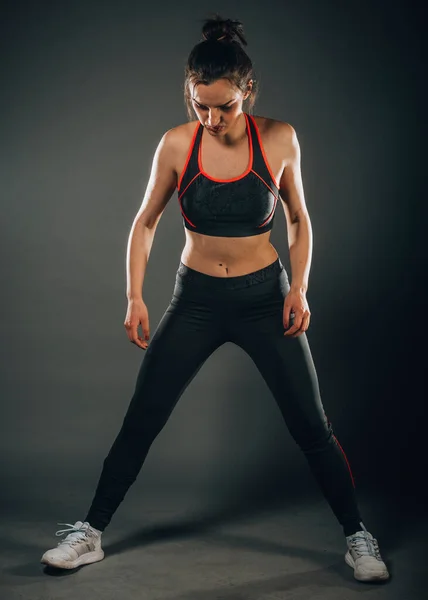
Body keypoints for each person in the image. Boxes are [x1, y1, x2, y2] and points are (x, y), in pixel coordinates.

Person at [41, 14, 389, 583]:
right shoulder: (177, 143)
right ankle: (89, 533)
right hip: (196, 300)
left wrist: (299, 287)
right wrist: (135, 296)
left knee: (312, 427)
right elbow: (145, 223)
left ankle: (357, 536)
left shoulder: (279, 138)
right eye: (200, 104)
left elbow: (299, 220)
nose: (212, 117)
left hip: (264, 299)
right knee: (142, 419)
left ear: (247, 91)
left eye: (224, 106)